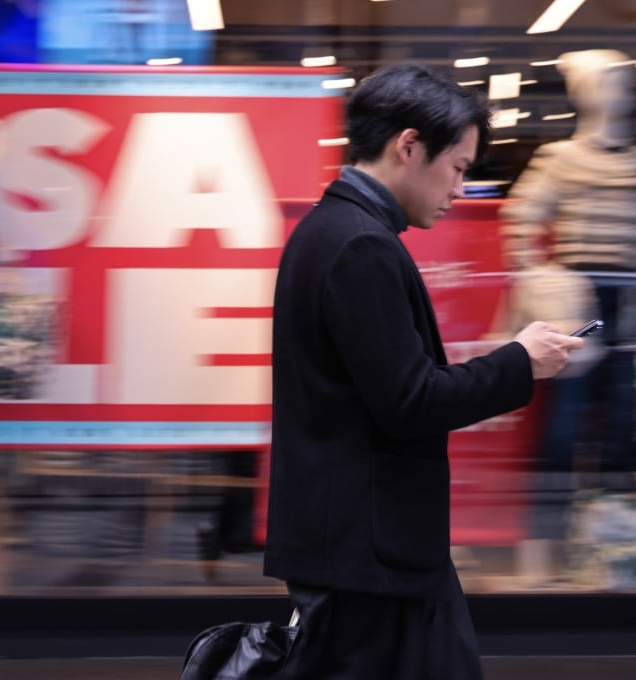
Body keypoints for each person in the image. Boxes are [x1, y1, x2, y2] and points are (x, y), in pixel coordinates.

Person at [263, 63, 583, 679]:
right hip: (369, 551)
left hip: (360, 546)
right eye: (458, 168)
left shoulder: (334, 229)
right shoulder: (361, 244)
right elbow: (411, 402)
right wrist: (520, 362)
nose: (460, 188)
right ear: (408, 146)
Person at [500, 49, 636, 478]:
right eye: (608, 82)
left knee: (623, 402)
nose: (620, 92)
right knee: (571, 400)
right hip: (581, 296)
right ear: (584, 91)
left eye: (625, 83)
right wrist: (538, 275)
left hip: (630, 296)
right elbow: (522, 214)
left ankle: (611, 507)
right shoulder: (562, 158)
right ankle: (554, 506)